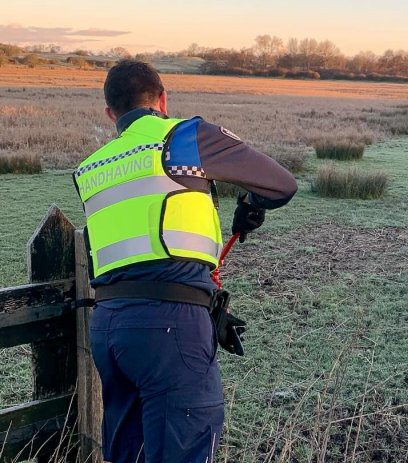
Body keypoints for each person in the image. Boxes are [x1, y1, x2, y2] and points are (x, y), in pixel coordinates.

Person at [74, 60, 297, 462]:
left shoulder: (91, 167)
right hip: (171, 326)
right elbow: (281, 184)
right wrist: (251, 201)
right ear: (162, 98)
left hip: (107, 328)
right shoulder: (184, 137)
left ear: (111, 114)